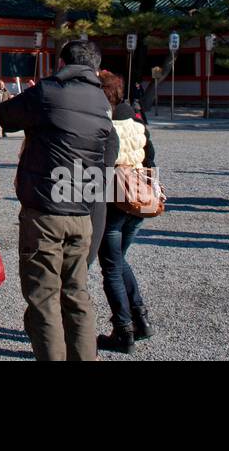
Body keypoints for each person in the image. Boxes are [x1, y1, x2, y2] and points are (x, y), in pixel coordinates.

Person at [0, 40, 116, 362]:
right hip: (82, 211)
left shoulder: (50, 91)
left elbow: (6, 116)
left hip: (46, 210)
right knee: (77, 294)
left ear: (62, 62)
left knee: (43, 297)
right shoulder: (101, 100)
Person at [93, 71, 157, 353]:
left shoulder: (104, 126)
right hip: (139, 197)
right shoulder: (137, 123)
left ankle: (123, 330)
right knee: (119, 260)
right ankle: (139, 317)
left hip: (114, 199)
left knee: (111, 267)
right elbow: (151, 158)